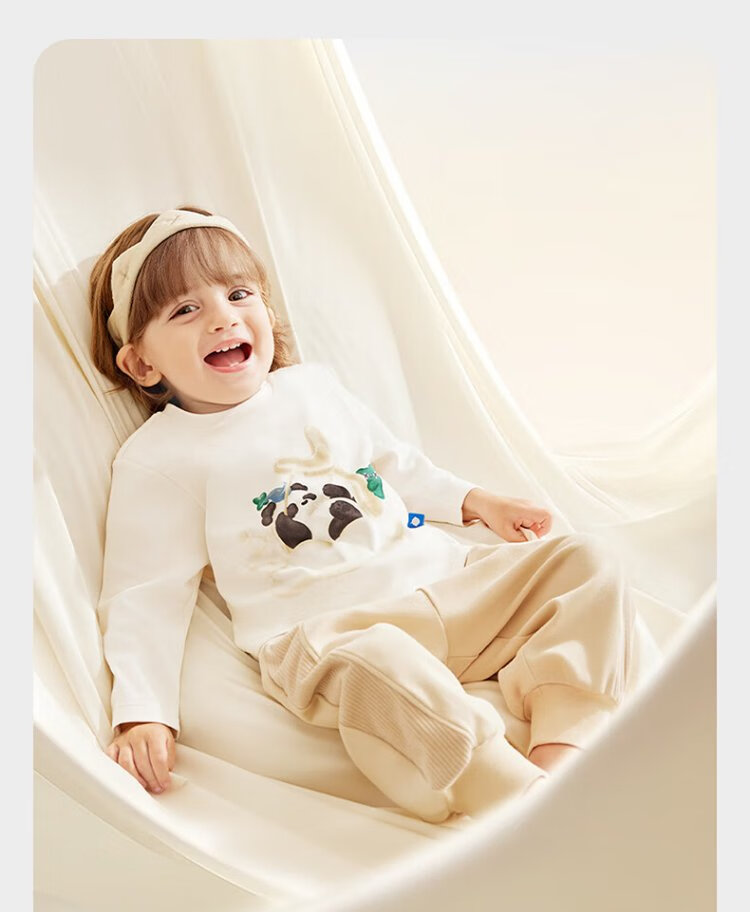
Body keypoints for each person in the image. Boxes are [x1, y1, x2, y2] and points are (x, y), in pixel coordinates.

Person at [90, 205, 660, 824]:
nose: (223, 318)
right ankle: (515, 800)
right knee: (383, 662)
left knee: (585, 561)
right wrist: (143, 712)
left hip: (442, 585)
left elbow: (392, 465)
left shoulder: (313, 389)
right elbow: (144, 593)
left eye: (238, 294)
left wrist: (476, 502)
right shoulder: (160, 457)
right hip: (329, 637)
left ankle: (564, 754)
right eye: (185, 310)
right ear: (142, 364)